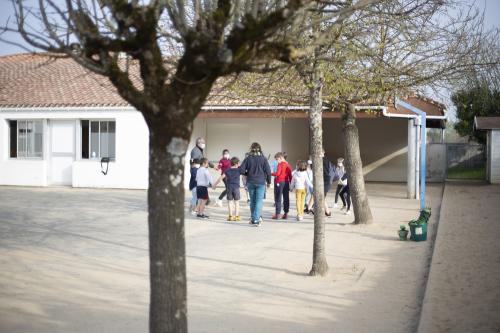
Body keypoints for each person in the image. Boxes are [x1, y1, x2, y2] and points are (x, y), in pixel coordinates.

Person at [239, 142, 271, 226]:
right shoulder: (263, 159)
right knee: (259, 201)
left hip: (250, 182)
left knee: (252, 201)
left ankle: (253, 218)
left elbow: (241, 170)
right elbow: (268, 171)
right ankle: (256, 219)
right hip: (260, 182)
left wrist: (247, 173)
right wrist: (269, 182)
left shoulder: (248, 158)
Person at [213, 157, 242, 221]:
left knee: (230, 202)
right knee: (237, 202)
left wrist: (215, 185)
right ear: (236, 164)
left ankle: (230, 216)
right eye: (239, 163)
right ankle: (236, 216)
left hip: (229, 188)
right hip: (236, 188)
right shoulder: (239, 170)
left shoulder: (227, 170)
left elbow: (221, 178)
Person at [272, 152, 292, 219]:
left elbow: (277, 174)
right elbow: (290, 176)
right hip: (286, 182)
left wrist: (270, 173)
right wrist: (291, 184)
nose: (276, 161)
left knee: (278, 198)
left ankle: (278, 214)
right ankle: (286, 213)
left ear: (281, 158)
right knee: (286, 198)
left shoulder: (280, 164)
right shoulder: (288, 165)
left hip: (279, 182)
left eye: (277, 159)